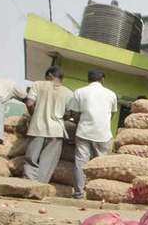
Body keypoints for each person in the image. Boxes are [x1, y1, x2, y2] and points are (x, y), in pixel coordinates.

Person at [67, 70, 117, 199]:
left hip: (84, 131)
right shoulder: (111, 94)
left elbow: (74, 114)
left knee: (81, 163)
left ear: (88, 79)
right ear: (103, 80)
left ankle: (79, 193)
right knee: (101, 166)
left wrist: (81, 121)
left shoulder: (79, 92)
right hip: (103, 134)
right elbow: (112, 114)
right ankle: (98, 194)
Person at [23, 66, 73, 183]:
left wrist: (33, 115)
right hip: (56, 131)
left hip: (37, 128)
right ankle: (40, 186)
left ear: (49, 75)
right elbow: (70, 113)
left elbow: (30, 103)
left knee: (31, 159)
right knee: (48, 162)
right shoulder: (69, 92)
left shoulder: (38, 85)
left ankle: (27, 184)